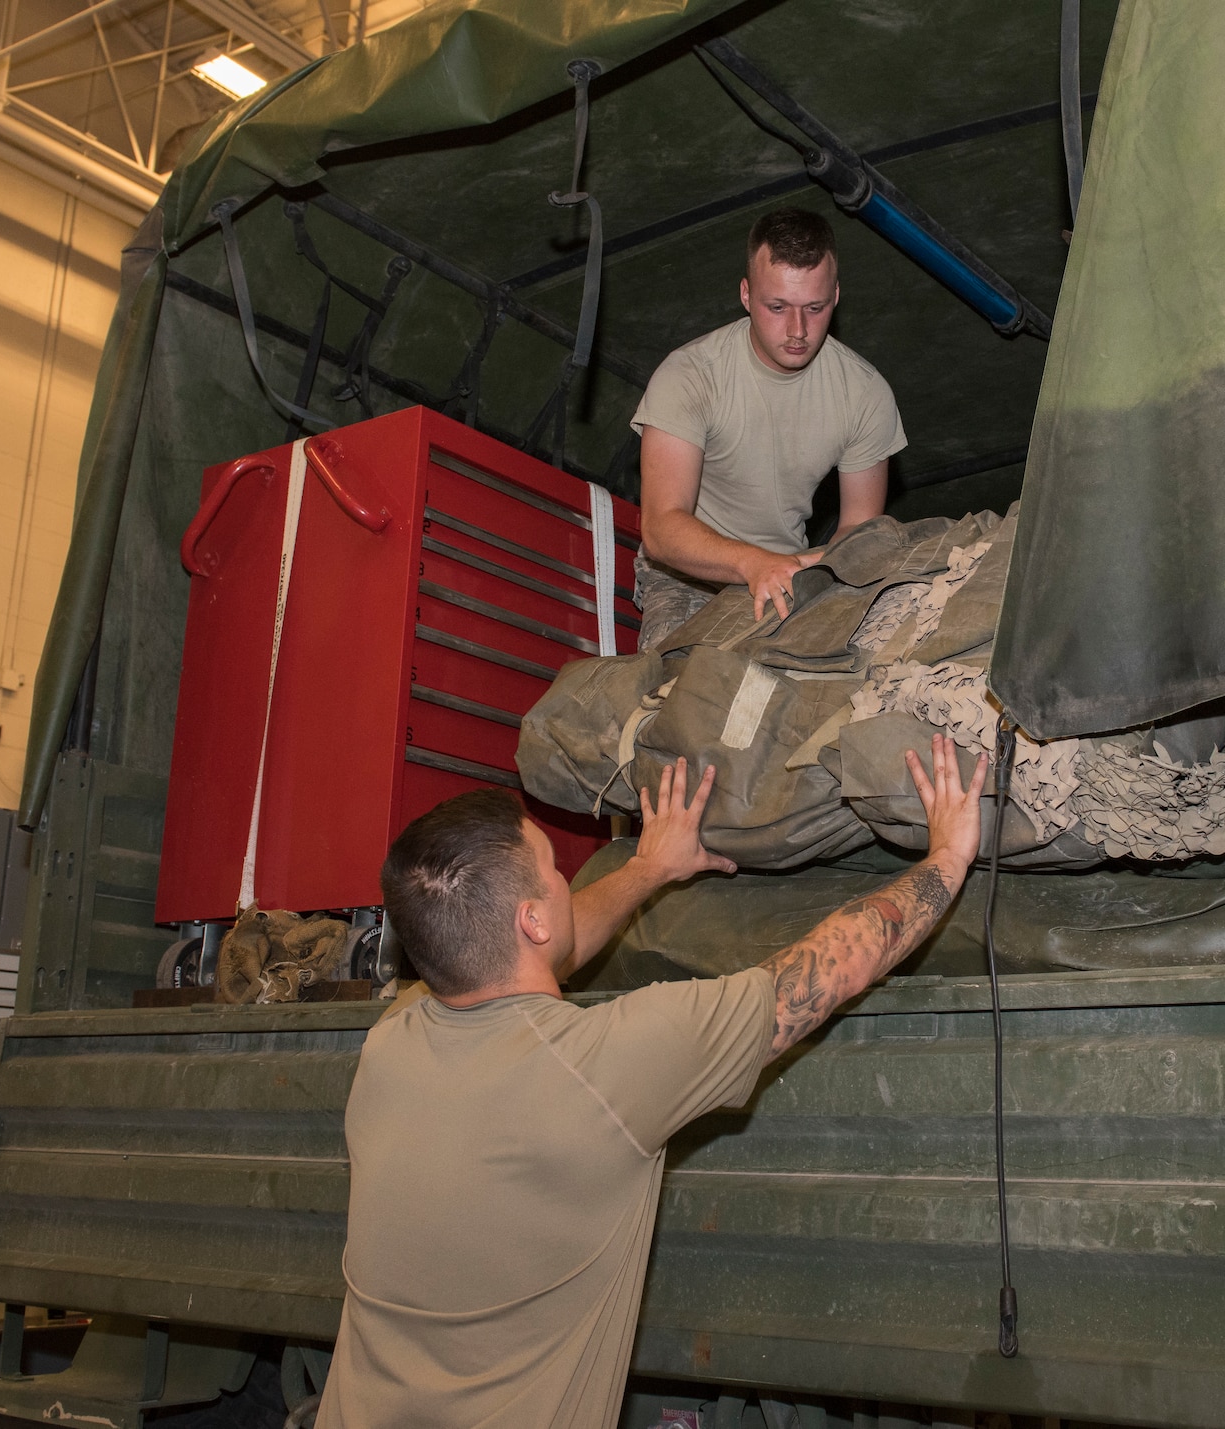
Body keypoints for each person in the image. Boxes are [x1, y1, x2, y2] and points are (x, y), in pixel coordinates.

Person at [318, 737, 987, 1429]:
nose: (562, 880)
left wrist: (646, 869)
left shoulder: (390, 1043)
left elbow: (541, 951)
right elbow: (824, 970)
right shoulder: (604, 1067)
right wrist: (947, 857)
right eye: (553, 868)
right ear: (534, 918)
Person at [630, 206, 907, 649]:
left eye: (814, 308)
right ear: (745, 295)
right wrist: (752, 564)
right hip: (688, 576)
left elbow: (859, 532)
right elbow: (662, 528)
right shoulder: (690, 375)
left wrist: (807, 568)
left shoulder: (865, 393)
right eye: (777, 307)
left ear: (835, 297)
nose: (797, 330)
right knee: (676, 696)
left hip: (793, 569)